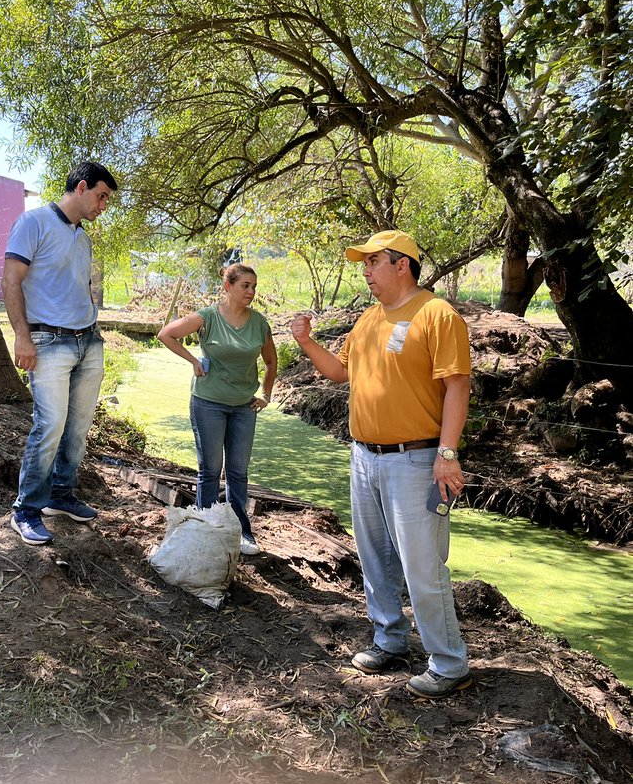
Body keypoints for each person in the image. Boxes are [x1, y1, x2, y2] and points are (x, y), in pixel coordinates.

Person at [291, 230, 472, 698]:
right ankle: (389, 638)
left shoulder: (436, 314)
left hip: (416, 459)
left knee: (422, 565)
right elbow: (341, 373)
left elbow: (457, 386)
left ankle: (449, 662)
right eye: (364, 264)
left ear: (402, 265)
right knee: (375, 559)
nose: (366, 272)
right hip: (364, 457)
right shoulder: (369, 319)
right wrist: (306, 342)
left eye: (373, 262)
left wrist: (447, 454)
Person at [3, 161, 118, 545]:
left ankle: (61, 495)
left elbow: (78, 288)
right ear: (81, 187)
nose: (104, 205)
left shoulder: (82, 237)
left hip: (88, 341)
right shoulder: (33, 223)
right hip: (48, 342)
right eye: (101, 196)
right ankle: (26, 510)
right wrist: (22, 336)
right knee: (49, 426)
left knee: (78, 427)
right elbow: (11, 279)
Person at [158, 264, 277, 555]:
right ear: (228, 287)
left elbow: (272, 362)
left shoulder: (259, 323)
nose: (250, 292)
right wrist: (194, 361)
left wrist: (265, 394)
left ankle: (241, 532)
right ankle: (205, 527)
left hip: (244, 407)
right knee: (210, 471)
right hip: (208, 404)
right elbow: (166, 334)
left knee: (238, 472)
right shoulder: (207, 317)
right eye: (245, 286)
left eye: (253, 286)